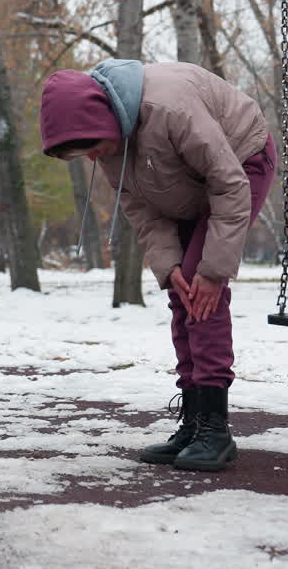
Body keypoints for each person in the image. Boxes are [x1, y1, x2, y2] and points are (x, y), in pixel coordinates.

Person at [39, 59, 275, 472]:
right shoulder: (108, 143)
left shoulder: (169, 107)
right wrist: (169, 266)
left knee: (203, 293)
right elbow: (140, 207)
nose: (93, 157)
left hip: (240, 162)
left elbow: (228, 183)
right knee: (182, 292)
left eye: (92, 147)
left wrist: (213, 272)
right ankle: (193, 422)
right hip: (185, 182)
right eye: (82, 154)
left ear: (103, 119)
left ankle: (214, 430)